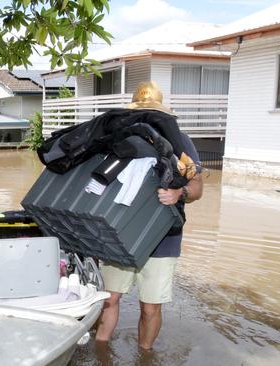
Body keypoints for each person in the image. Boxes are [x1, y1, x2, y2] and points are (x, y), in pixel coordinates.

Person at [95, 81, 204, 349]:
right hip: (119, 232)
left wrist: (180, 195)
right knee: (109, 299)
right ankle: (100, 351)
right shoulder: (118, 140)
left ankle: (145, 355)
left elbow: (198, 186)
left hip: (163, 236)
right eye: (140, 111)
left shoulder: (181, 142)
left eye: (152, 112)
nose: (146, 117)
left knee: (150, 307)